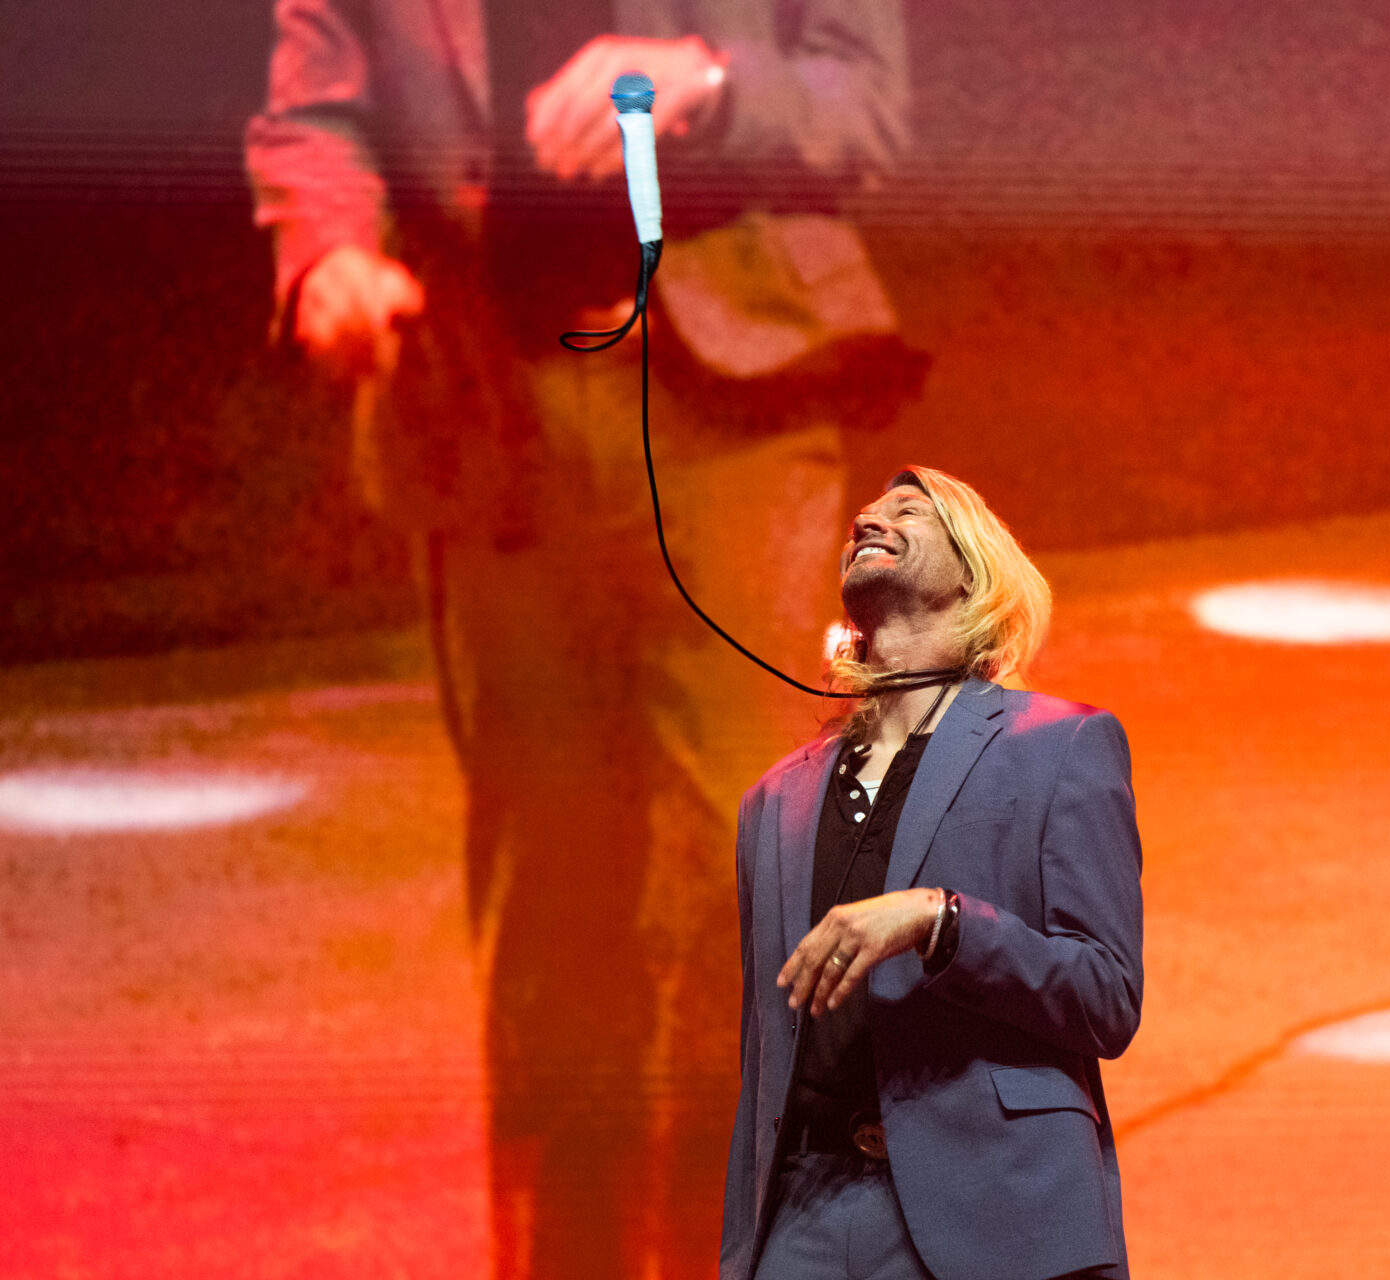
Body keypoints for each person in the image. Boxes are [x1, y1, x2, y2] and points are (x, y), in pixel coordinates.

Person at [246, 3, 913, 1279]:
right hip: (493, 412)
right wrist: (326, 253)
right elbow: (317, 114)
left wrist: (700, 80)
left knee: (751, 898)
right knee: (551, 933)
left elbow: (862, 106)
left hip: (729, 405)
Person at [725, 466, 1145, 1280]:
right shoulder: (772, 802)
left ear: (973, 573)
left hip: (996, 1214)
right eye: (863, 515)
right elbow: (763, 1055)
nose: (868, 520)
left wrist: (942, 921)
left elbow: (1107, 997)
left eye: (909, 510)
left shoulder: (1059, 744)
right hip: (805, 1222)